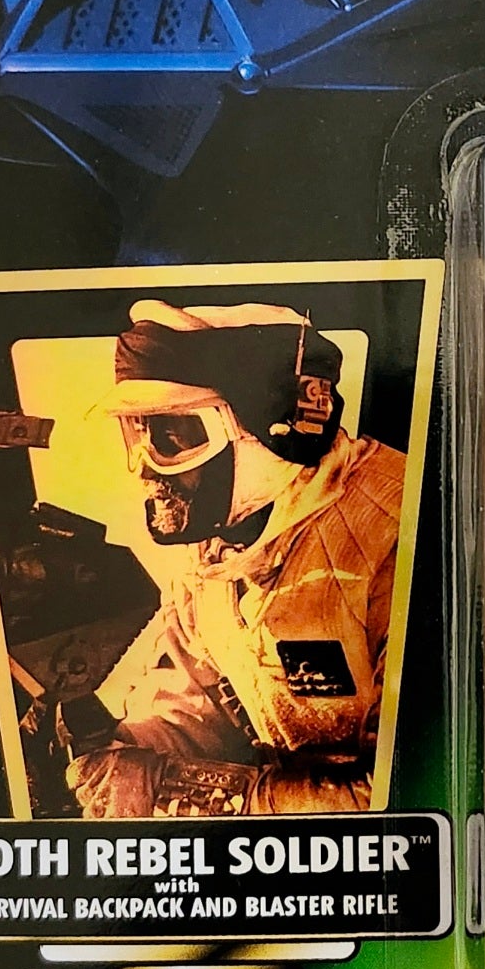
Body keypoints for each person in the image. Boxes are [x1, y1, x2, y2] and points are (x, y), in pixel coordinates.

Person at [62, 300, 403, 818]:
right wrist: (117, 756)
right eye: (138, 433)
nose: (145, 469)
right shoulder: (215, 554)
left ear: (270, 431)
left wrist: (199, 794)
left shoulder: (395, 534)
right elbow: (198, 709)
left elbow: (402, 791)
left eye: (173, 436)